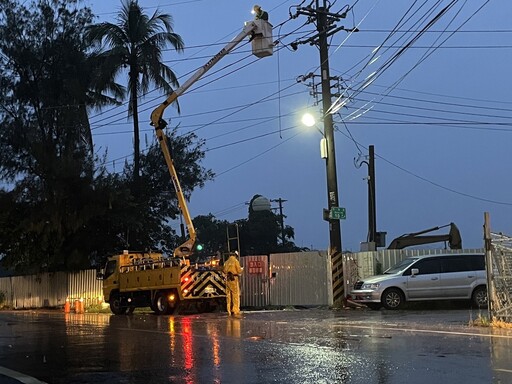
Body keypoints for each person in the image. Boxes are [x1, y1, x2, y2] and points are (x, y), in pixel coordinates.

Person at [223, 251, 243, 316]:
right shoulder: (235, 261)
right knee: (235, 295)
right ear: (235, 255)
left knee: (228, 295)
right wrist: (241, 269)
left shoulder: (226, 262)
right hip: (234, 279)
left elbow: (224, 270)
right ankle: (235, 310)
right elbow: (239, 271)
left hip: (228, 279)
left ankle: (228, 310)